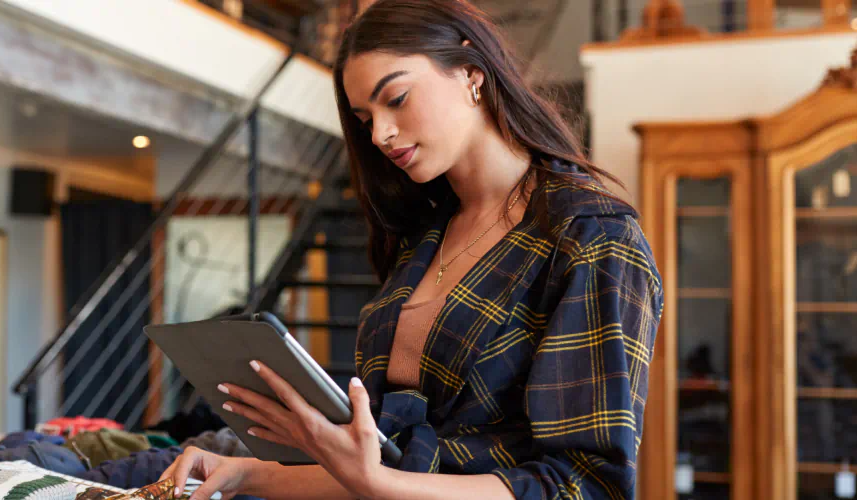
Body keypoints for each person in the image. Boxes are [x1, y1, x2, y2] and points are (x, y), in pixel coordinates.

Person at [161, 0, 664, 499]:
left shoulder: (591, 237)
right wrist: (248, 473)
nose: (380, 134)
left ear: (471, 72)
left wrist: (376, 481)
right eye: (364, 118)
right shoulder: (425, 237)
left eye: (396, 98)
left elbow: (583, 485)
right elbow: (394, 472)